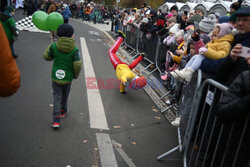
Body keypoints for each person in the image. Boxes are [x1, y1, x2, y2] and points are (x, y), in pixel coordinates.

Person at [43, 24, 82, 128]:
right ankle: (63, 111)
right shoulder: (75, 49)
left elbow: (47, 57)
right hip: (68, 78)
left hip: (56, 76)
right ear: (72, 36)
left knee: (56, 96)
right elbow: (77, 65)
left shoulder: (54, 46)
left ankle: (56, 120)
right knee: (65, 94)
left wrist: (50, 48)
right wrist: (75, 75)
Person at [216, 7, 250, 86]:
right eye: (238, 20)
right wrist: (231, 59)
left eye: (245, 20)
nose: (240, 23)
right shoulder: (235, 39)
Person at [0, 23, 21, 97]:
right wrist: (16, 34)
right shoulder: (10, 19)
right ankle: (13, 54)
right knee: (10, 47)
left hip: (6, 35)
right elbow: (8, 82)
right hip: (9, 37)